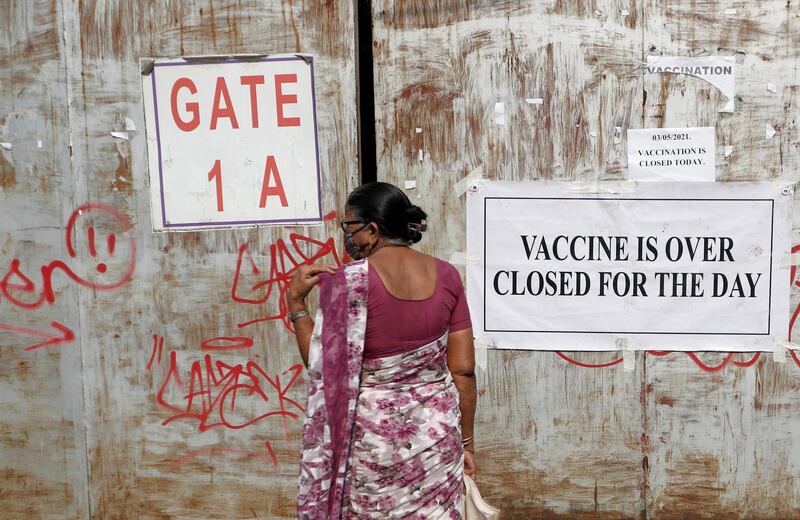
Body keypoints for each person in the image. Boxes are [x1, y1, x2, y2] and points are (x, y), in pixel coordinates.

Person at [289, 182, 477, 519]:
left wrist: (295, 304)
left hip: (375, 444)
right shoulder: (448, 276)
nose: (347, 236)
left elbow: (325, 369)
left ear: (372, 230)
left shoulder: (346, 282)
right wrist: (466, 444)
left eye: (348, 227)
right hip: (437, 438)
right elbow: (463, 371)